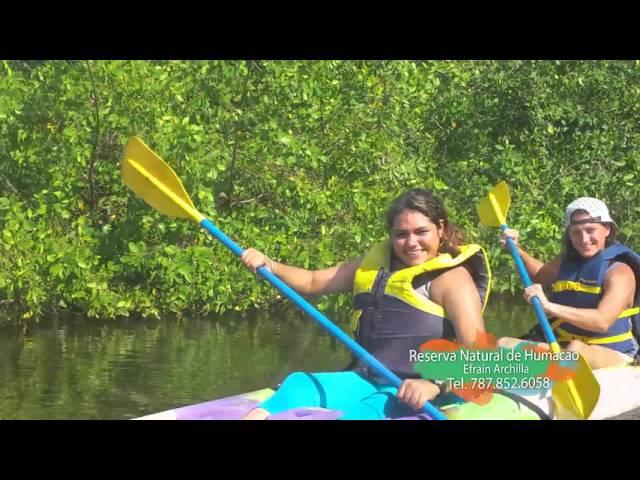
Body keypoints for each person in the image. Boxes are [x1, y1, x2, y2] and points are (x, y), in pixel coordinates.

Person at [238, 189, 492, 420]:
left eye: (421, 232)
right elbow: (314, 281)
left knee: (367, 412)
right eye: (401, 235)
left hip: (425, 391)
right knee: (300, 383)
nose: (411, 243)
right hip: (370, 379)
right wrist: (269, 265)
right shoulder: (376, 265)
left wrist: (434, 385)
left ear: (440, 228)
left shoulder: (453, 280)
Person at [498, 197, 640, 369]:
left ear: (607, 229)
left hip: (614, 353)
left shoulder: (620, 272)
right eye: (575, 232)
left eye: (590, 230)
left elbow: (602, 321)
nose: (583, 239)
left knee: (575, 352)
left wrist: (548, 306)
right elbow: (540, 276)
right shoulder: (566, 262)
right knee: (503, 345)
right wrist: (517, 250)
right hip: (564, 346)